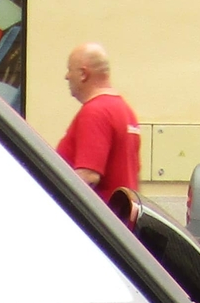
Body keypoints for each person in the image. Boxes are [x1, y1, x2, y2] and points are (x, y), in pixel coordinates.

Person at [57, 42, 141, 225]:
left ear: (83, 74)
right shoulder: (124, 110)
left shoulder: (95, 112)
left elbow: (88, 176)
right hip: (122, 226)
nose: (66, 76)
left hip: (99, 227)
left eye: (69, 69)